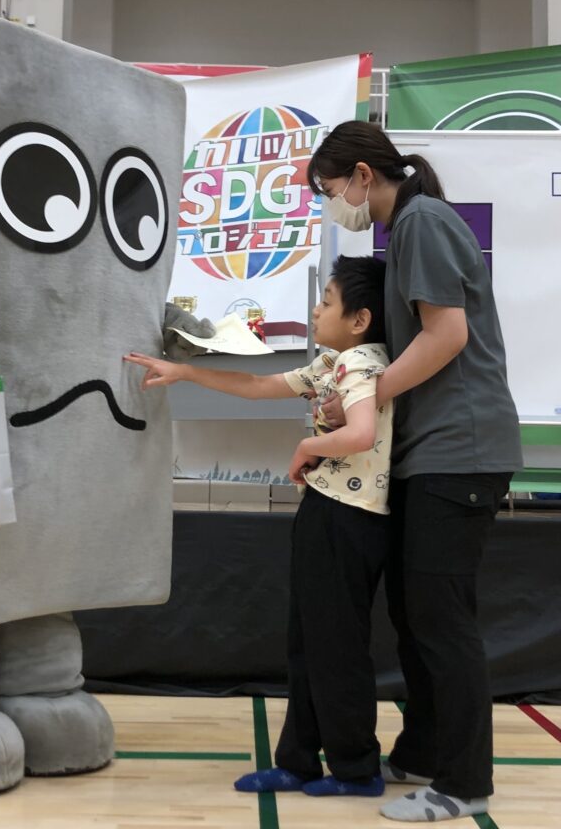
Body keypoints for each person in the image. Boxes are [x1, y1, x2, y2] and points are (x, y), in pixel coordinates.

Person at [307, 120, 522, 823]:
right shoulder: (404, 231)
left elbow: (447, 335)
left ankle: (463, 783)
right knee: (413, 612)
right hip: (430, 453)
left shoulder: (422, 220)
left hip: (460, 451)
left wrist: (366, 396)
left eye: (330, 189)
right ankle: (426, 750)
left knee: (440, 620)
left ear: (363, 176)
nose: (332, 203)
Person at [126, 255, 393, 799]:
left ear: (360, 319)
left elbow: (362, 432)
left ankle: (356, 768)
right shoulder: (331, 362)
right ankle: (298, 761)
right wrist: (184, 371)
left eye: (327, 302)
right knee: (307, 641)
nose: (316, 311)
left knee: (337, 645)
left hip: (350, 517)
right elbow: (255, 384)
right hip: (325, 509)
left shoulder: (361, 362)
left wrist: (307, 446)